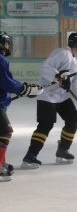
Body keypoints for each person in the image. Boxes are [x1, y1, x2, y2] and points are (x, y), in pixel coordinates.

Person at [21, 32, 77, 169]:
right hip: (47, 96)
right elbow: (45, 68)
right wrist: (58, 76)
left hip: (62, 97)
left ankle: (63, 150)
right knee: (46, 125)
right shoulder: (62, 53)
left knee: (73, 119)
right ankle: (29, 157)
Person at [0, 31, 43, 182]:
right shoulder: (0, 59)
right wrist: (26, 88)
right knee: (5, 131)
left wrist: (25, 89)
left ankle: (2, 163)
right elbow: (6, 82)